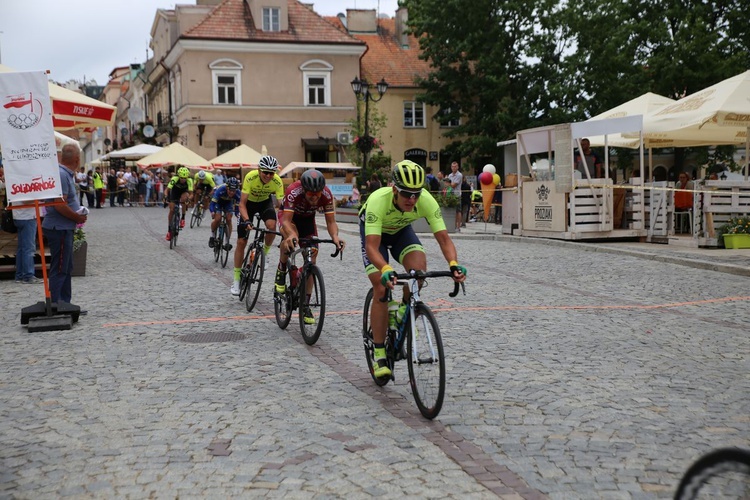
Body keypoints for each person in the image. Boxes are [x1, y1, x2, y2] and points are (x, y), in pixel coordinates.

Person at [360, 160, 466, 378]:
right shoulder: (378, 201)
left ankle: (401, 310)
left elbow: (444, 239)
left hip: (400, 231)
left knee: (418, 273)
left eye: (416, 194)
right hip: (375, 234)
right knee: (381, 287)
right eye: (406, 194)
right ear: (394, 190)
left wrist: (453, 265)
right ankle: (379, 353)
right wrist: (387, 268)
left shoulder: (425, 201)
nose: (412, 199)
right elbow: (371, 247)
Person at [275, 169, 345, 324]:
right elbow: (286, 221)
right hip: (289, 218)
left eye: (317, 194)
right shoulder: (294, 191)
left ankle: (305, 304)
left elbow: (331, 221)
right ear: (304, 190)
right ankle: (281, 269)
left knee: (311, 260)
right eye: (311, 194)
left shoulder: (326, 194)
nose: (314, 197)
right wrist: (292, 235)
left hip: (307, 221)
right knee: (289, 240)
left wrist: (335, 237)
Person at [230, 155, 284, 296]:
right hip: (248, 205)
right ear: (259, 170)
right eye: (265, 172)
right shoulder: (250, 177)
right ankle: (236, 280)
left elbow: (281, 206)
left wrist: (287, 225)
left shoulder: (277, 181)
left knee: (272, 225)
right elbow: (242, 204)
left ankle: (264, 254)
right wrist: (247, 220)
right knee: (242, 241)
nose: (268, 176)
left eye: (271, 173)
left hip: (264, 203)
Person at [42, 144, 88, 305]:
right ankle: (56, 304)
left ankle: (65, 303)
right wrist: (76, 217)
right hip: (59, 227)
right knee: (60, 267)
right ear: (76, 159)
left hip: (63, 227)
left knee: (66, 267)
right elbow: (58, 204)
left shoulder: (65, 174)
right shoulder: (62, 175)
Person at [208, 177, 241, 250]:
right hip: (218, 203)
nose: (232, 192)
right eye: (230, 190)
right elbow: (212, 204)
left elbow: (237, 208)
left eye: (234, 191)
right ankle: (212, 236)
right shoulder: (220, 190)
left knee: (229, 219)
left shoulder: (238, 193)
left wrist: (238, 215)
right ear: (227, 188)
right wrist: (212, 212)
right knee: (217, 218)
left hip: (228, 203)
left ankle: (227, 241)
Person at [11, 202, 39, 284]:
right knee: (29, 248)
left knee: (22, 248)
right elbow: (27, 200)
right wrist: (42, 197)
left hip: (18, 215)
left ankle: (19, 275)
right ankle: (28, 275)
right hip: (28, 216)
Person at [164, 166, 194, 241]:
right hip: (174, 192)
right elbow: (167, 190)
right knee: (171, 210)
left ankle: (183, 218)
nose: (183, 180)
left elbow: (191, 194)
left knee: (184, 198)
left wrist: (189, 199)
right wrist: (165, 197)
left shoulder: (189, 180)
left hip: (184, 192)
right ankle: (169, 230)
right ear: (179, 176)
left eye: (185, 178)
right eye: (181, 178)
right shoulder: (174, 179)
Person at [444, 161, 463, 232]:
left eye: (455, 166)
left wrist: (448, 183)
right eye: (452, 166)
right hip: (450, 195)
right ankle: (453, 226)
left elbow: (453, 185)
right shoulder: (450, 175)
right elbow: (447, 184)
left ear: (457, 167)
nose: (454, 168)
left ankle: (458, 227)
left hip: (457, 195)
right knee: (452, 211)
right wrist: (448, 183)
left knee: (458, 211)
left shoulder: (459, 175)